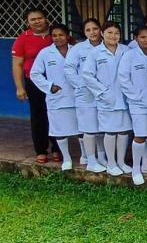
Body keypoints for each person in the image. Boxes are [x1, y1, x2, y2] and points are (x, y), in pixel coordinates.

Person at [81, 22, 132, 177]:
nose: (113, 36)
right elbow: (87, 75)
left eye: (117, 33)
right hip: (106, 98)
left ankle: (121, 161)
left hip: (124, 97)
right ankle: (111, 163)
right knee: (110, 131)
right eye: (110, 32)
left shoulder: (126, 50)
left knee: (123, 131)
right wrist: (102, 92)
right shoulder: (96, 53)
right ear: (102, 33)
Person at [12, 8, 59, 163]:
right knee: (39, 116)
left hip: (57, 83)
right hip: (34, 83)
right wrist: (20, 87)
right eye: (33, 19)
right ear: (28, 22)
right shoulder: (22, 39)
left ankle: (57, 148)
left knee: (56, 114)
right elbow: (17, 64)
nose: (37, 21)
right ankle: (41, 150)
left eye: (40, 18)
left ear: (46, 19)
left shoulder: (56, 35)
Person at [30, 24, 77, 171]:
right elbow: (34, 73)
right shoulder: (45, 53)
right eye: (54, 35)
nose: (58, 38)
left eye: (61, 35)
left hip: (77, 96)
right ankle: (67, 158)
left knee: (82, 129)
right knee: (59, 130)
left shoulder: (76, 50)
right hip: (57, 97)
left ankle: (86, 157)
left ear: (67, 35)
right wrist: (49, 86)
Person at [118, 26, 147, 185]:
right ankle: (136, 168)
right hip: (137, 103)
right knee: (140, 135)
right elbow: (123, 78)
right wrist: (135, 96)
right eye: (142, 37)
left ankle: (146, 164)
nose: (146, 40)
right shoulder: (129, 55)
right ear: (135, 38)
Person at [64, 18, 107, 172]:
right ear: (84, 32)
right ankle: (91, 160)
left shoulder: (107, 46)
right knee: (88, 128)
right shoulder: (78, 49)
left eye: (95, 29)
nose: (92, 32)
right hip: (86, 94)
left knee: (102, 128)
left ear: (100, 30)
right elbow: (69, 68)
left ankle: (102, 156)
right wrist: (80, 84)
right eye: (88, 30)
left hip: (104, 93)